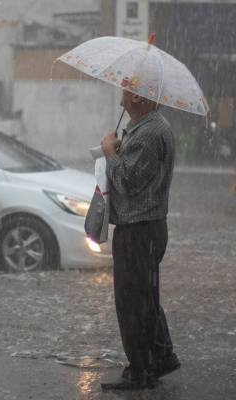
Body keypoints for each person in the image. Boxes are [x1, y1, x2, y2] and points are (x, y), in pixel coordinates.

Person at [99, 89, 181, 391]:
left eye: (126, 88)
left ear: (138, 98)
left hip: (138, 229)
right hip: (146, 227)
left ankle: (140, 371)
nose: (120, 91)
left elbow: (128, 181)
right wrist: (118, 149)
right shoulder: (149, 128)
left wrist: (109, 153)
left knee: (132, 301)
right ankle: (159, 356)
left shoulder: (149, 133)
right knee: (145, 297)